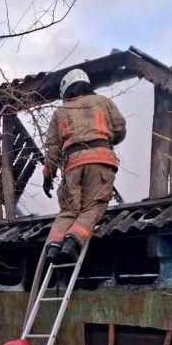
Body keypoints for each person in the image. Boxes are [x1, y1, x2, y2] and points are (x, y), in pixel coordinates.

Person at [42, 68, 127, 263]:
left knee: (69, 210)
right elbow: (120, 129)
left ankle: (53, 247)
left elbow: (52, 149)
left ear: (67, 91)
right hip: (100, 161)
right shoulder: (103, 102)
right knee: (93, 206)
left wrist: (48, 177)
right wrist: (106, 140)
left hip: (72, 165)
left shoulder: (60, 112)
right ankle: (72, 242)